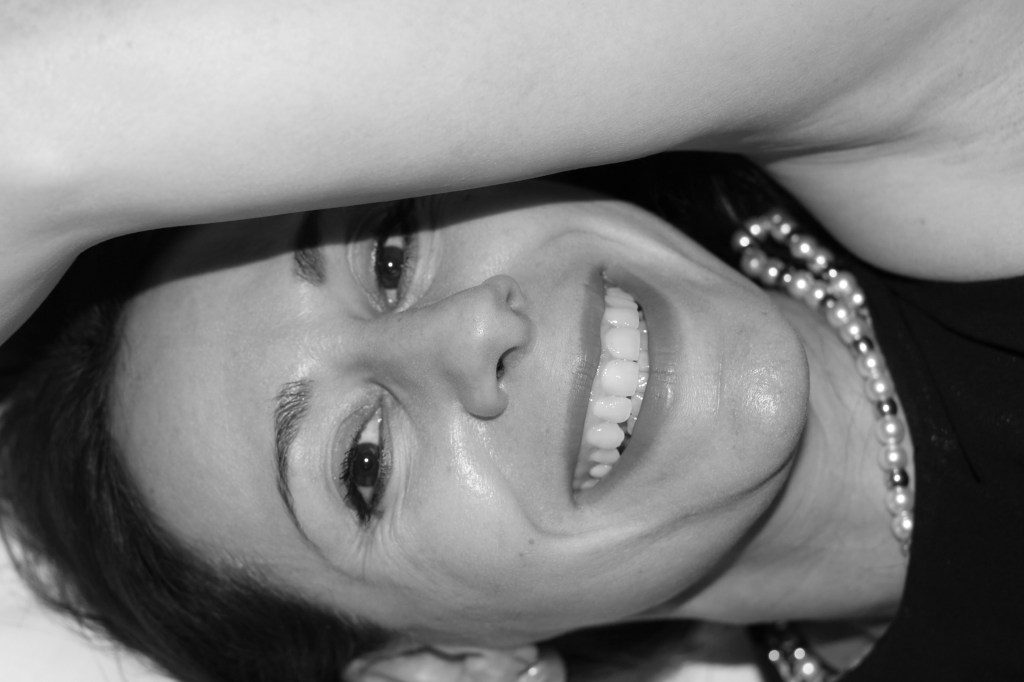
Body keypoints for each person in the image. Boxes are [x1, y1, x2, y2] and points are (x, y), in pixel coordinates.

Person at [2, 2, 1024, 681]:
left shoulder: (941, 127)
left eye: (389, 254)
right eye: (364, 465)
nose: (473, 333)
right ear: (446, 667)